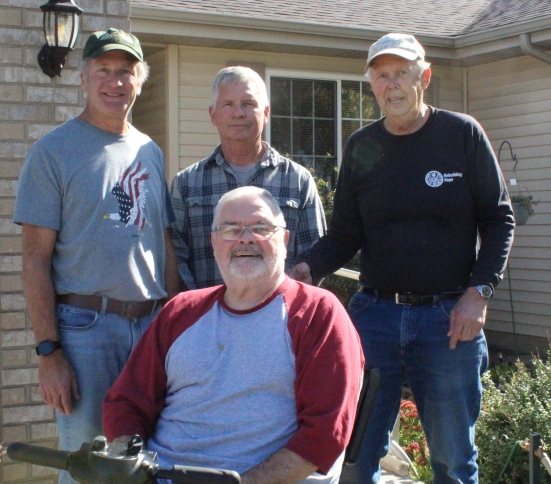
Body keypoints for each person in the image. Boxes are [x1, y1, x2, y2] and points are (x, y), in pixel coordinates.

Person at [290, 33, 514, 484]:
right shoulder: (361, 147)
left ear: (424, 77)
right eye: (381, 76)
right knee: (355, 457)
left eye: (401, 73)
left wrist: (479, 293)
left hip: (450, 319)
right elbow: (345, 235)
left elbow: (498, 219)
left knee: (453, 461)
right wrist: (305, 270)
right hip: (374, 318)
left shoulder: (461, 135)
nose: (391, 85)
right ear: (371, 85)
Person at [103, 187, 364, 484]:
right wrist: (126, 461)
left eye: (261, 228)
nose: (245, 238)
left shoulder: (318, 314)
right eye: (230, 229)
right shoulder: (180, 312)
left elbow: (324, 435)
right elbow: (126, 403)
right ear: (214, 242)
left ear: (285, 240)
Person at [13, 28, 179, 484]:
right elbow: (33, 258)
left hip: (149, 328)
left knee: (147, 459)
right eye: (103, 71)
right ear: (83, 78)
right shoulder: (53, 152)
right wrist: (50, 354)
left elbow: (161, 244)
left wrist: (174, 321)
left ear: (140, 81)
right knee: (91, 465)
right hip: (85, 333)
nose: (115, 81)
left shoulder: (149, 151)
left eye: (125, 72)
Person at [170, 66, 326, 289]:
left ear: (266, 113)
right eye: (228, 104)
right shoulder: (186, 184)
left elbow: (313, 256)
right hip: (206, 318)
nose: (238, 113)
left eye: (248, 104)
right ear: (213, 115)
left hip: (279, 318)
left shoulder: (298, 181)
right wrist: (200, 309)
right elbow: (176, 259)